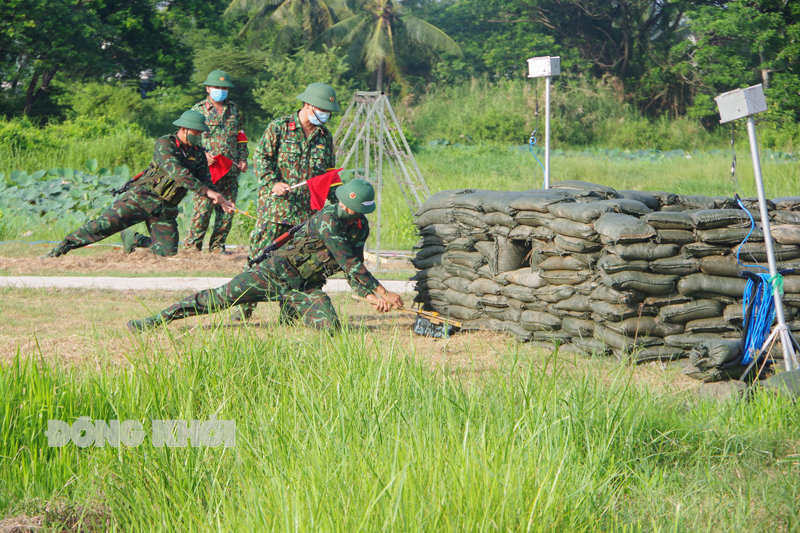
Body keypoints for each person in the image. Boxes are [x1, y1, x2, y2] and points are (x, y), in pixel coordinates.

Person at [126, 179, 403, 332]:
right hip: (272, 274)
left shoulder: (359, 227)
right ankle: (155, 321)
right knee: (217, 299)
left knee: (330, 327)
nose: (347, 210)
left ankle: (289, 319)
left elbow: (354, 266)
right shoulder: (328, 220)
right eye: (345, 204)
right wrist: (382, 290)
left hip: (304, 288)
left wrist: (370, 297)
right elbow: (348, 261)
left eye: (353, 209)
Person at [41, 111, 234, 258]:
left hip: (166, 207)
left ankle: (134, 239)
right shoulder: (164, 144)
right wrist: (207, 191)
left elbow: (205, 180)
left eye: (201, 133)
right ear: (184, 129)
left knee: (167, 253)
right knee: (102, 226)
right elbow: (177, 173)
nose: (199, 136)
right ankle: (59, 250)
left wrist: (221, 199)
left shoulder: (198, 153)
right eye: (196, 132)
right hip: (142, 198)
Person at [236, 82, 340, 321]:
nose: (326, 115)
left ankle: (290, 314)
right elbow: (261, 157)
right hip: (276, 211)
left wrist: (338, 205)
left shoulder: (324, 137)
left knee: (296, 264)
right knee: (259, 258)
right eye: (323, 109)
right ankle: (244, 308)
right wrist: (272, 182)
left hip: (305, 216)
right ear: (308, 104)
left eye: (329, 112)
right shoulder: (280, 127)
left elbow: (329, 175)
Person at [184, 69, 249, 253]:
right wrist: (202, 156)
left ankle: (217, 247)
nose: (220, 90)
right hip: (207, 171)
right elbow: (187, 139)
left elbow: (241, 136)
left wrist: (243, 158)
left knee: (227, 211)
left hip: (229, 169)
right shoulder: (197, 111)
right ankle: (192, 248)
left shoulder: (233, 110)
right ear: (207, 88)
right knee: (202, 210)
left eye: (224, 87)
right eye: (216, 87)